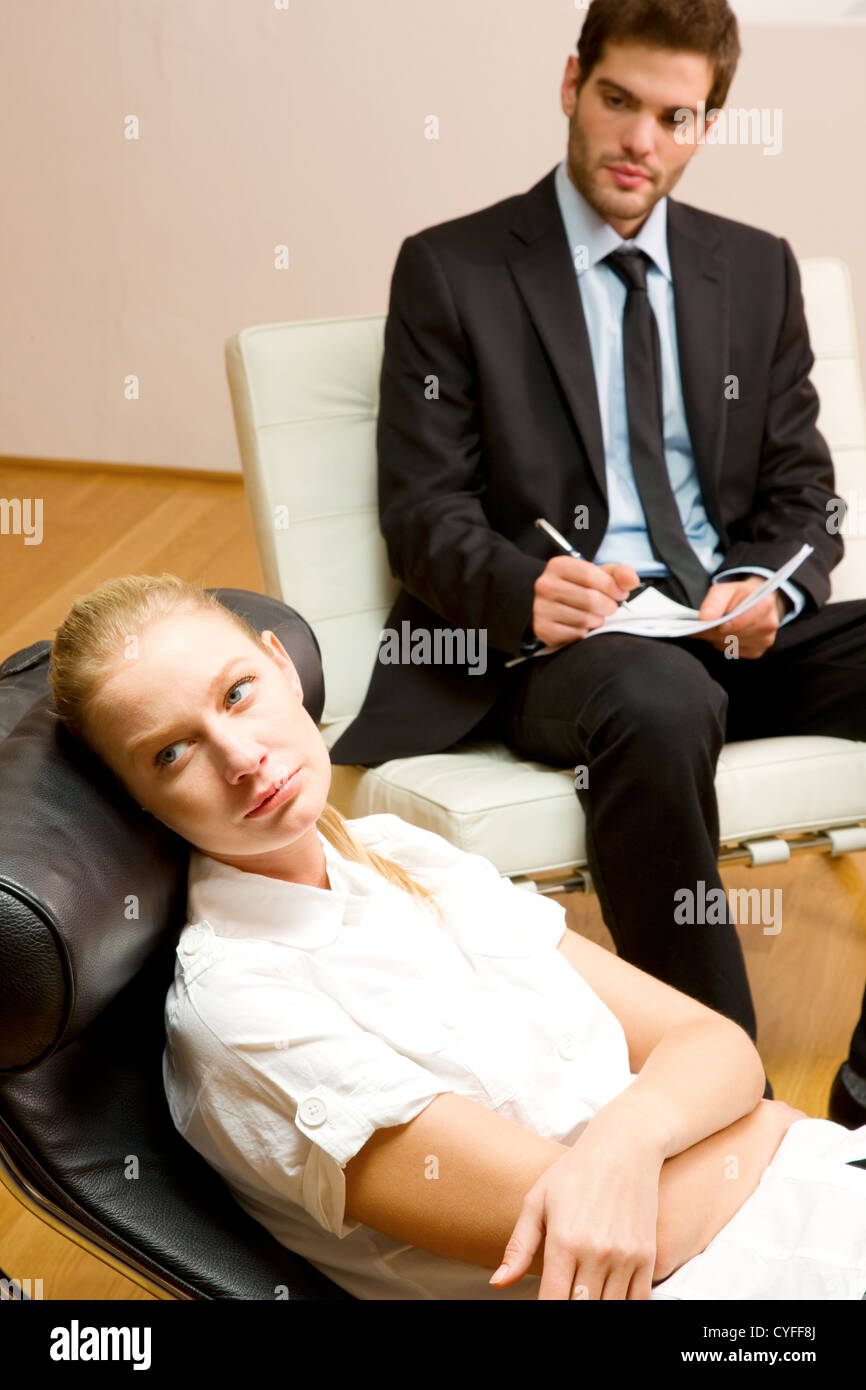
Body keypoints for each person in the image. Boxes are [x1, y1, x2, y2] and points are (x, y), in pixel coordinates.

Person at [326, 0, 866, 1129]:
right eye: (617, 101)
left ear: (705, 123)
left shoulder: (753, 271)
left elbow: (803, 494)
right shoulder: (452, 268)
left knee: (707, 667)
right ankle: (730, 1109)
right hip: (560, 651)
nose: (640, 141)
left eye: (675, 117)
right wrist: (521, 585)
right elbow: (421, 512)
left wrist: (766, 586)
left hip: (720, 629)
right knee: (655, 695)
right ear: (570, 81)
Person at [47, 572, 866, 1300]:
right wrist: (757, 1125)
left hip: (781, 1193)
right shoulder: (240, 1011)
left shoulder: (402, 853)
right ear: (140, 801)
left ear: (283, 665)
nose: (241, 757)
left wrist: (636, 1131)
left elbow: (716, 1042)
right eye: (171, 753)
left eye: (235, 693)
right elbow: (604, 1243)